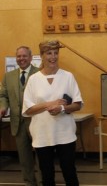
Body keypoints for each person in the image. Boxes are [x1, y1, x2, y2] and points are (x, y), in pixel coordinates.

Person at [22, 40, 83, 186]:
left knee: (70, 172)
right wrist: (49, 104)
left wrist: (61, 108)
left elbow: (78, 104)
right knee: (47, 174)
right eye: (49, 53)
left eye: (56, 53)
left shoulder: (68, 76)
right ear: (42, 55)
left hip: (65, 134)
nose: (53, 57)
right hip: (42, 134)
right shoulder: (33, 80)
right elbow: (28, 109)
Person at [0, 46, 41, 186]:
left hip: (36, 121)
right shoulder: (8, 76)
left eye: (24, 56)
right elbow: (3, 95)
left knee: (41, 156)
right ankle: (29, 182)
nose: (21, 59)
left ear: (30, 58)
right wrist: (3, 106)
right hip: (17, 123)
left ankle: (43, 182)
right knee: (24, 158)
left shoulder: (40, 73)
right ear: (16, 58)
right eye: (19, 56)